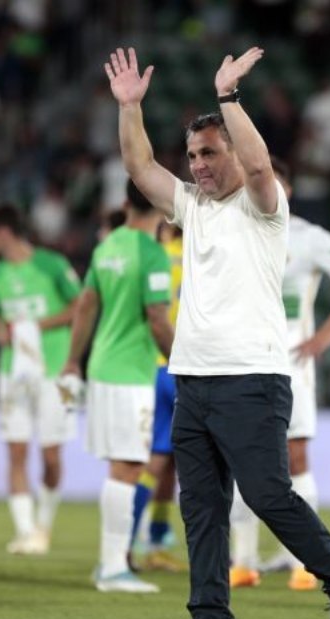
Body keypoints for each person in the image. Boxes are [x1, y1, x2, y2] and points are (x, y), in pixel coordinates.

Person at [105, 45, 330, 619]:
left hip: (252, 376)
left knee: (268, 495)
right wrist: (130, 109)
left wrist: (228, 98)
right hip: (193, 378)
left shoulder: (263, 207)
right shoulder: (192, 209)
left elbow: (256, 169)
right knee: (200, 509)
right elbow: (140, 165)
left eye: (209, 153)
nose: (197, 165)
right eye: (192, 154)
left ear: (234, 152)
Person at [230, 157, 330, 591]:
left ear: (288, 190)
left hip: (292, 363)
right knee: (241, 458)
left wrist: (327, 334)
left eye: (274, 181)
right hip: (241, 359)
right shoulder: (235, 230)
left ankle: (301, 563)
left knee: (296, 458)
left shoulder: (309, 239)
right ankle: (242, 562)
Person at [62, 180, 175, 593]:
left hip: (102, 367)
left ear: (126, 202)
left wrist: (73, 360)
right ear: (163, 204)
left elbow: (86, 306)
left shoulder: (106, 248)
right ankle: (112, 567)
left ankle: (108, 565)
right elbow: (158, 319)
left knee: (120, 464)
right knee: (128, 466)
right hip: (132, 372)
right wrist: (185, 362)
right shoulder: (153, 254)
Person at [0, 203, 81, 555]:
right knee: (16, 451)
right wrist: (1, 335)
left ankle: (43, 526)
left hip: (54, 372)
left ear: (4, 232)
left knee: (52, 456)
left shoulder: (51, 265)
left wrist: (35, 327)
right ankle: (25, 532)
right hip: (13, 373)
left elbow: (79, 306)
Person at [130, 199, 186, 574]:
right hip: (180, 365)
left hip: (151, 365)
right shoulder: (195, 252)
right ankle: (132, 543)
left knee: (164, 462)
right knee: (165, 460)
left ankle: (154, 541)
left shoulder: (149, 255)